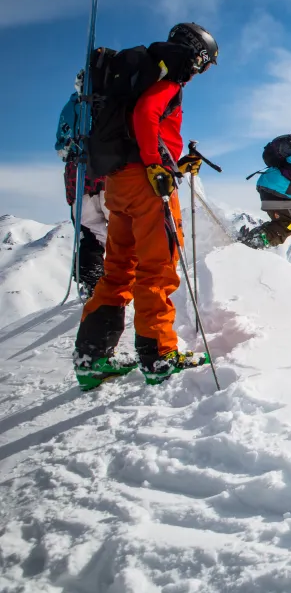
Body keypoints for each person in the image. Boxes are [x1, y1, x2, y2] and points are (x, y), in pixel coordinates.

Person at [72, 22, 218, 391]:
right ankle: (159, 356)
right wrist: (155, 164)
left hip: (119, 182)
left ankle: (92, 357)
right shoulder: (170, 74)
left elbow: (140, 125)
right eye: (205, 63)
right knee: (158, 268)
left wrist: (172, 164)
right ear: (196, 53)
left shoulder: (143, 72)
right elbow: (146, 116)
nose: (201, 72)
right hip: (148, 184)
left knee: (119, 268)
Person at [55, 70, 109, 297]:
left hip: (78, 176)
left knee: (90, 232)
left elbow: (61, 146)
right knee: (122, 229)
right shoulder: (113, 104)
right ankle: (122, 280)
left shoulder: (72, 107)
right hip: (109, 174)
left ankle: (92, 281)